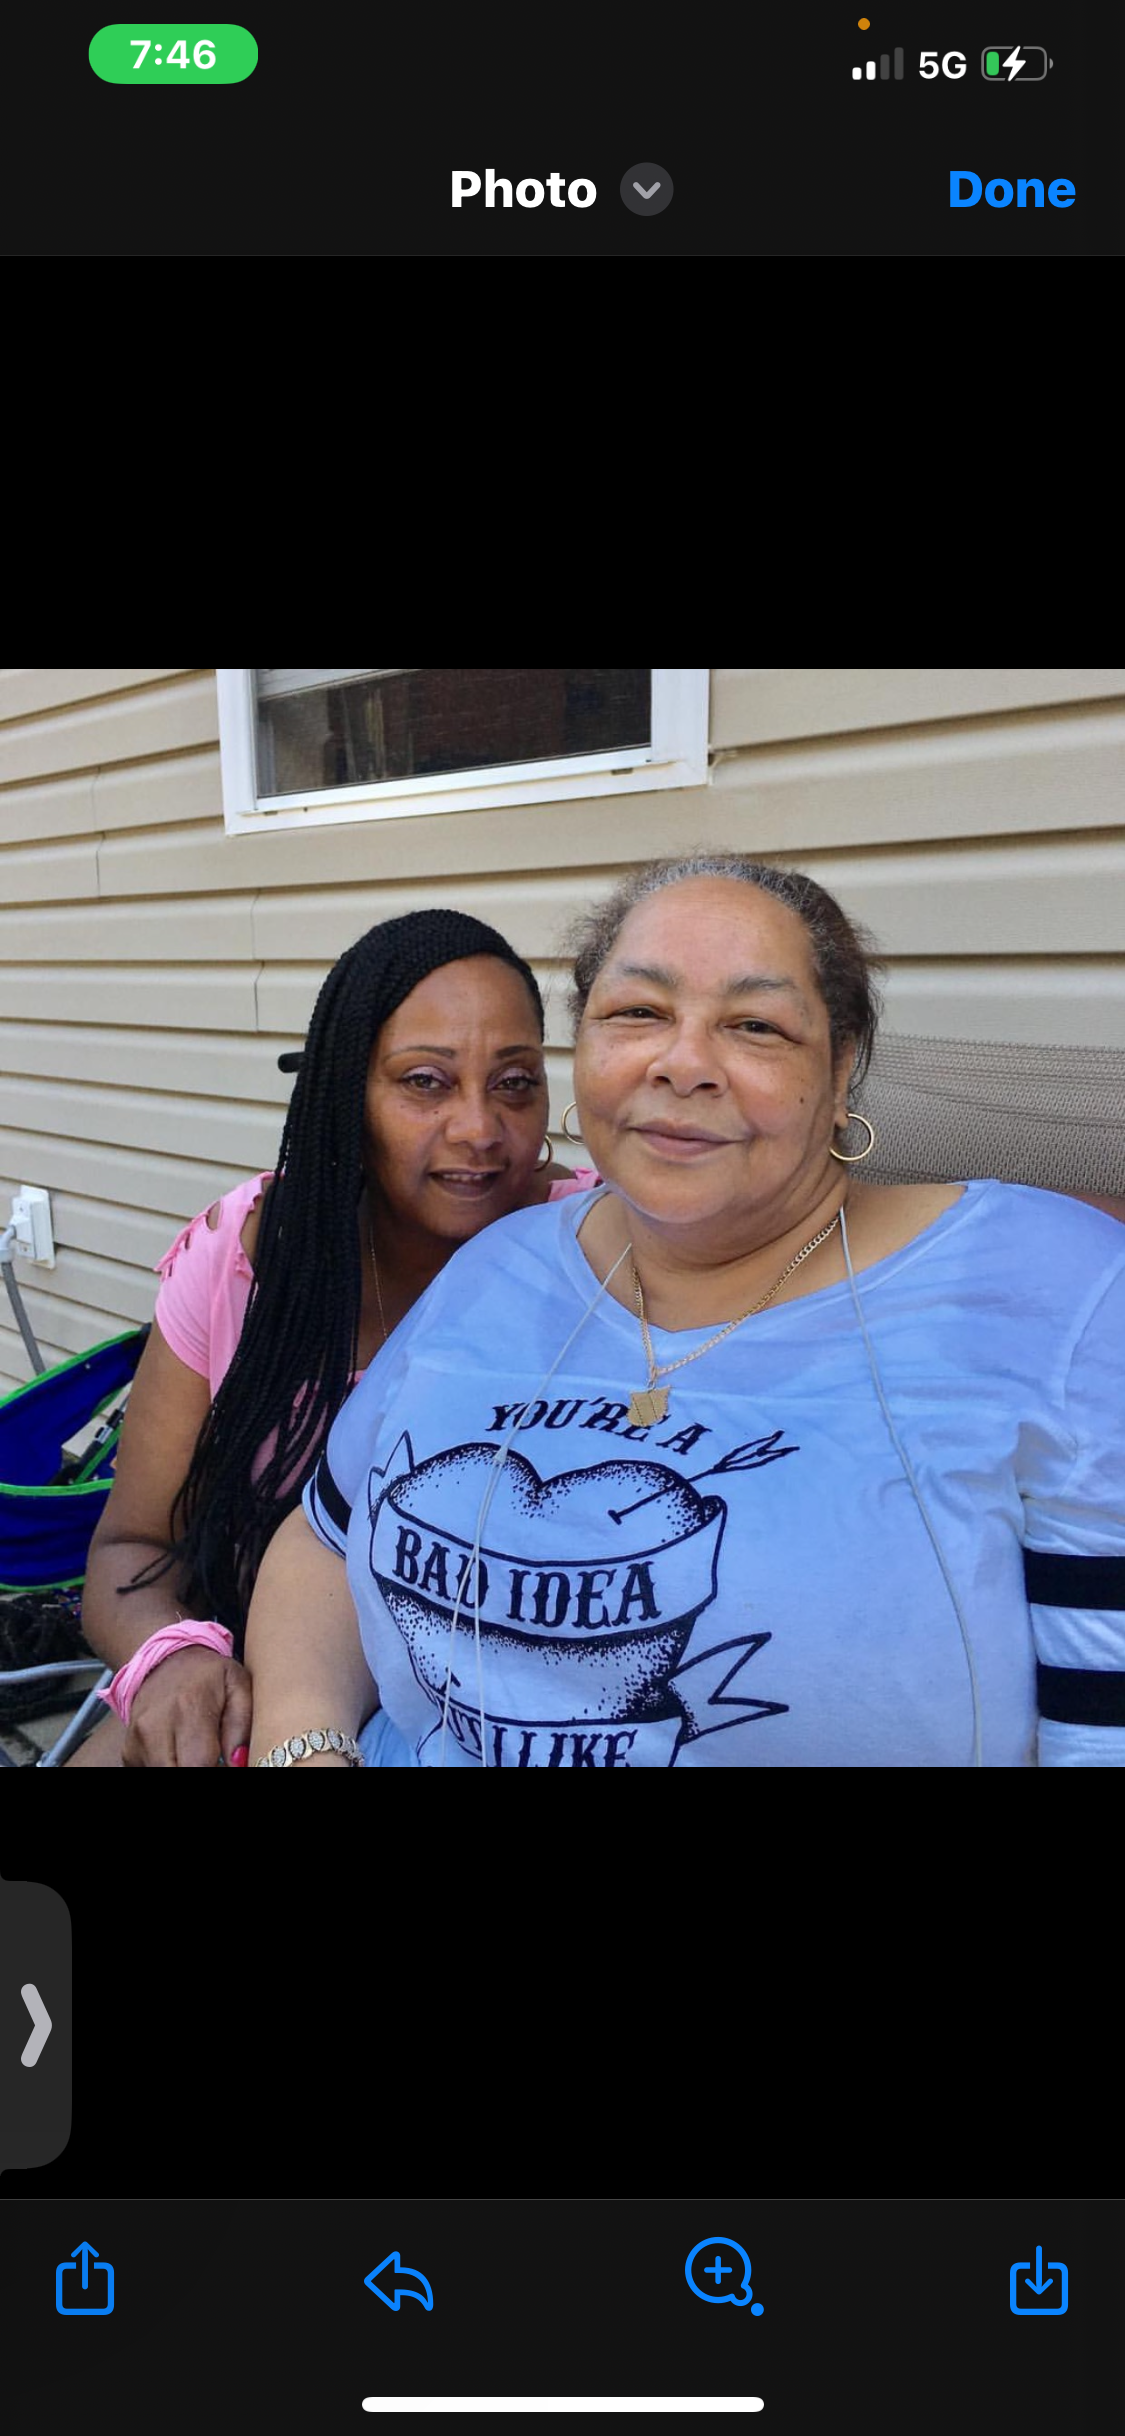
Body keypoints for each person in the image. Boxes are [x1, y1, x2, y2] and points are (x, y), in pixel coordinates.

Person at [242, 853, 1125, 1769]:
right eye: (637, 1013)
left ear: (841, 1071)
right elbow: (322, 1540)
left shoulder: (1050, 1287)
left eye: (754, 1024)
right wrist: (303, 1747)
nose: (684, 1063)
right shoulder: (498, 1264)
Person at [70, 909, 597, 1767]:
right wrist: (173, 1660)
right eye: (425, 1081)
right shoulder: (247, 1259)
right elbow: (132, 1549)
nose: (479, 1129)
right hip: (248, 1698)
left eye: (514, 1082)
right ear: (344, 1092)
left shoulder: (599, 1250)